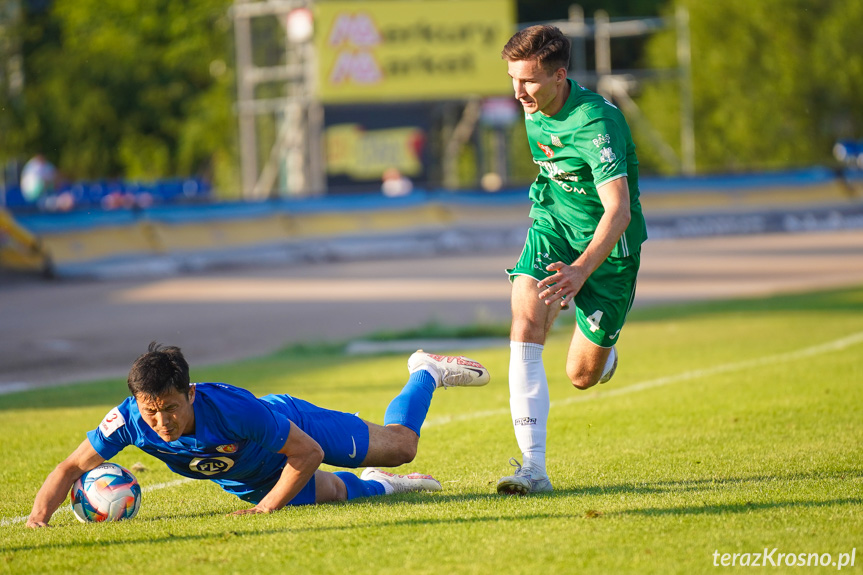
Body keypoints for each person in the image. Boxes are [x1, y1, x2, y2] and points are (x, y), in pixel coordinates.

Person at [26, 343, 489, 527]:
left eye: (169, 408)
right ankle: (383, 485)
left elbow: (306, 454)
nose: (160, 422)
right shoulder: (127, 420)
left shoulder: (234, 411)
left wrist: (267, 510)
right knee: (335, 493)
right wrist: (38, 518)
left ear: (189, 393)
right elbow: (70, 468)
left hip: (292, 431)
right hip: (245, 476)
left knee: (401, 447)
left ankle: (425, 371)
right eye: (150, 412)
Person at [496, 25, 647, 495]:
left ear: (560, 75)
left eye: (530, 81)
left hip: (608, 249)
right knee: (524, 324)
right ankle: (533, 469)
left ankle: (604, 355)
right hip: (553, 227)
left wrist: (582, 270)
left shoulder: (597, 122)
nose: (518, 92)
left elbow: (618, 211)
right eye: (512, 79)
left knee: (581, 375)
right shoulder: (533, 105)